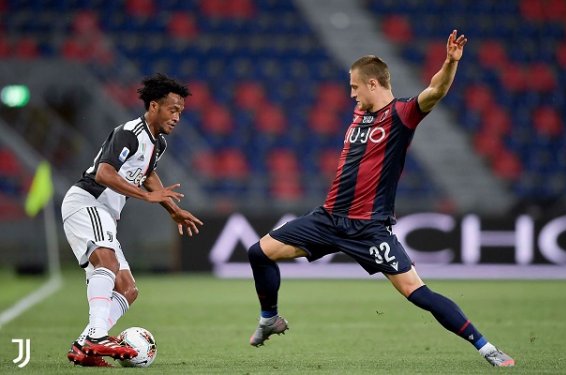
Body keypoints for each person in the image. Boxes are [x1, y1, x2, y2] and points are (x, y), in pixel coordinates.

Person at [246, 30, 515, 367]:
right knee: (259, 252)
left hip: (369, 229)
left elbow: (436, 91)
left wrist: (449, 62)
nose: (351, 93)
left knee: (417, 293)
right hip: (327, 219)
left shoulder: (402, 115)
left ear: (373, 84)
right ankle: (269, 319)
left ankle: (486, 347)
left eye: (355, 86)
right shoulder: (360, 115)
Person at [61, 73, 203, 367]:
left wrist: (170, 208)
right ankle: (97, 337)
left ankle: (83, 347)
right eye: (172, 110)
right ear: (154, 106)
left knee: (128, 289)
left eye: (181, 112)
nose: (177, 117)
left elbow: (147, 174)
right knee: (108, 265)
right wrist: (145, 195)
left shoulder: (157, 143)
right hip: (87, 201)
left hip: (105, 215)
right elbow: (104, 173)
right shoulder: (129, 133)